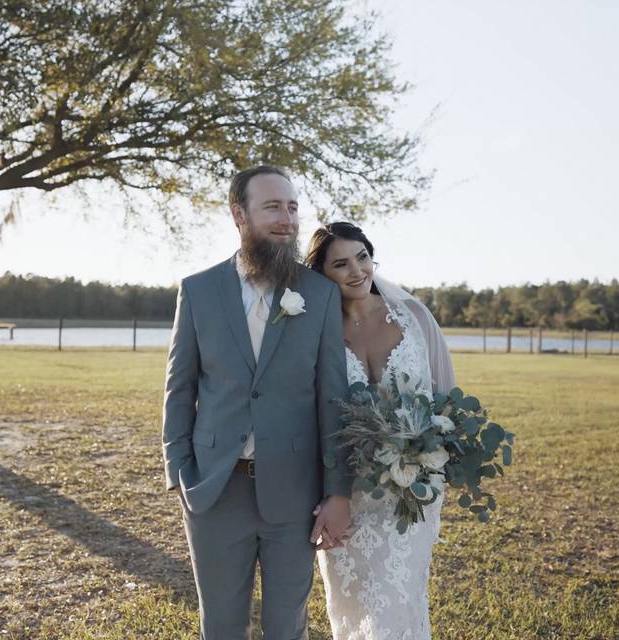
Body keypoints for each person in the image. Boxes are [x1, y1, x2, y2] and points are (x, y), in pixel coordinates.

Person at [162, 166, 353, 639]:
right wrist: (178, 470)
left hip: (295, 493)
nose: (286, 219)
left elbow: (333, 397)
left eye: (292, 207)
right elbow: (179, 387)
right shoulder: (198, 290)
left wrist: (338, 491)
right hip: (213, 489)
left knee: (286, 625)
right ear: (238, 214)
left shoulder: (320, 294)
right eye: (272, 207)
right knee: (222, 625)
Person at [305, 221, 455, 640]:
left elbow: (447, 400)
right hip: (345, 489)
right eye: (341, 263)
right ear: (323, 275)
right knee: (350, 604)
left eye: (362, 257)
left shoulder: (415, 317)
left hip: (411, 488)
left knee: (399, 599)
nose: (357, 270)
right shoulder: (317, 331)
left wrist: (429, 455)